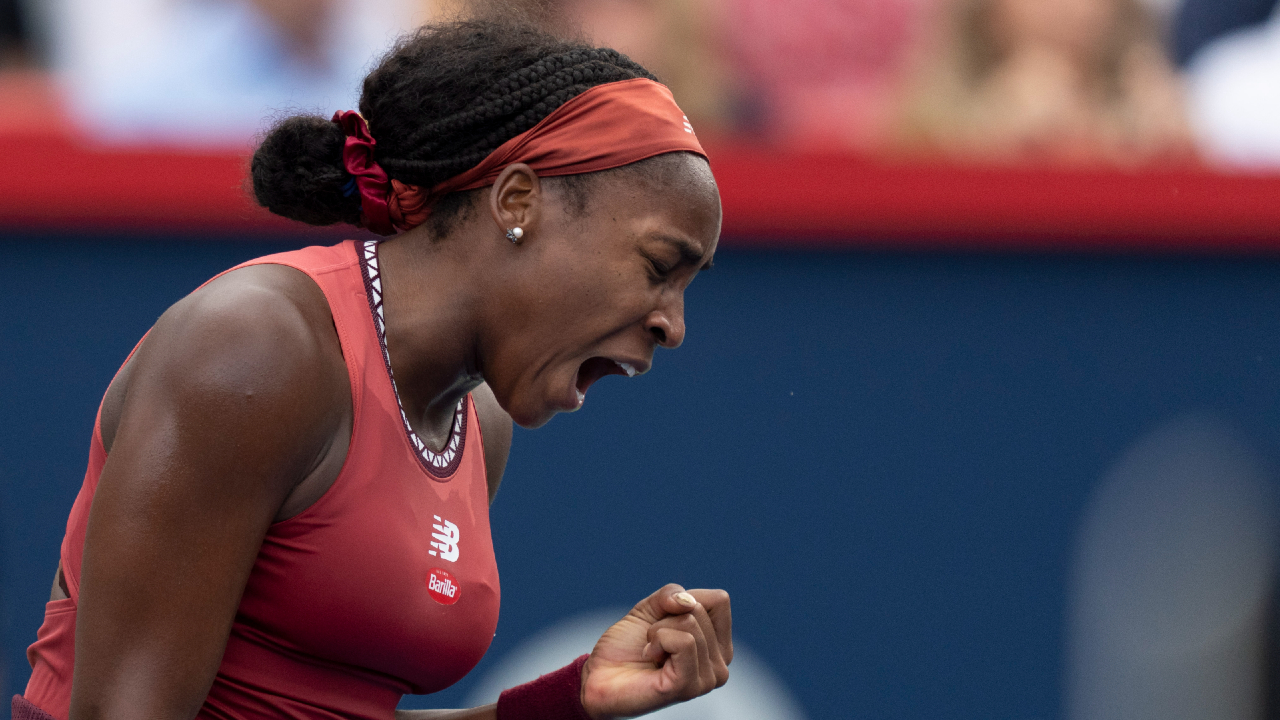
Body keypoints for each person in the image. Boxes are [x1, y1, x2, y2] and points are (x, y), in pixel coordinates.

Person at [17, 19, 730, 720]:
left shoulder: (478, 424)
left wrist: (564, 705)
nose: (674, 325)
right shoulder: (259, 349)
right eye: (659, 266)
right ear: (518, 201)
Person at [897, 0, 1194, 165]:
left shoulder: (1147, 95)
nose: (1071, 7)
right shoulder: (934, 107)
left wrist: (1170, 154)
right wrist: (987, 141)